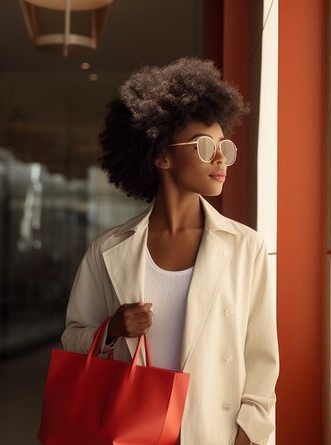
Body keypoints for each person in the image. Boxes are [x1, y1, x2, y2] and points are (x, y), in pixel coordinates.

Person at [61, 57, 279, 445]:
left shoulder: (247, 247)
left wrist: (249, 433)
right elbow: (73, 340)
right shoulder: (109, 249)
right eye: (204, 145)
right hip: (131, 429)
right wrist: (112, 329)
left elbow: (262, 357)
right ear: (160, 156)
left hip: (215, 433)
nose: (219, 158)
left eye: (223, 146)